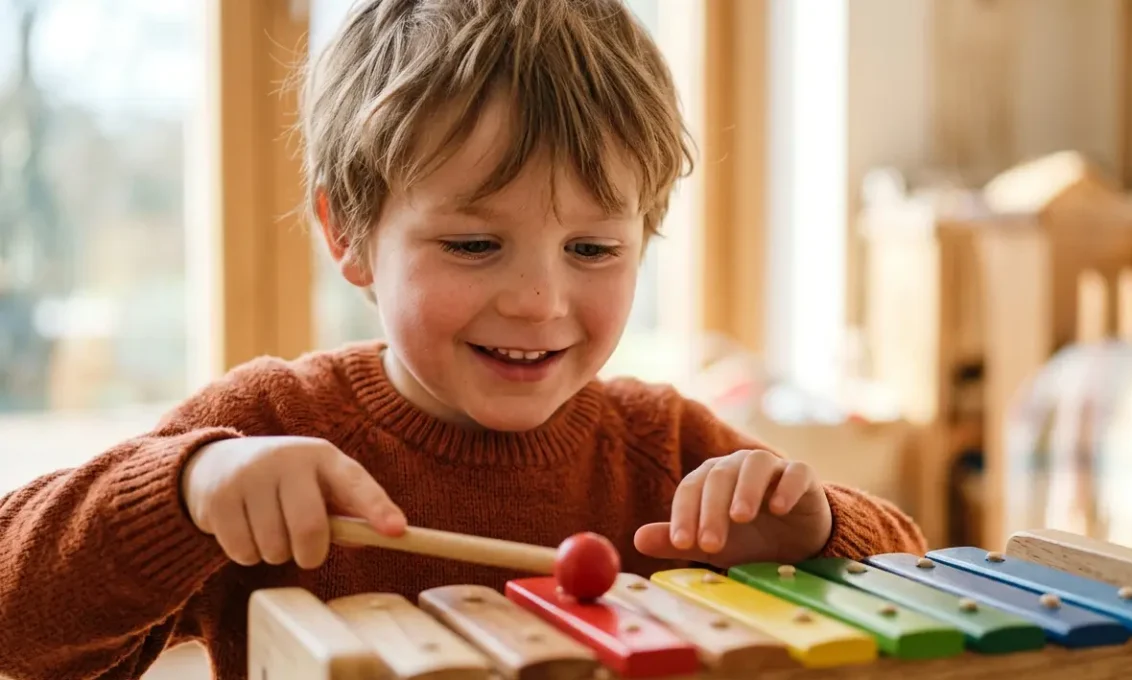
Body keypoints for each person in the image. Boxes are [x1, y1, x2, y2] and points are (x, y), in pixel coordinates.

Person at [0, 1, 924, 678]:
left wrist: (820, 536)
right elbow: (17, 620)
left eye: (594, 248)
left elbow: (920, 584)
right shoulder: (262, 429)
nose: (536, 299)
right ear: (350, 234)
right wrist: (184, 492)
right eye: (474, 244)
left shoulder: (668, 452)